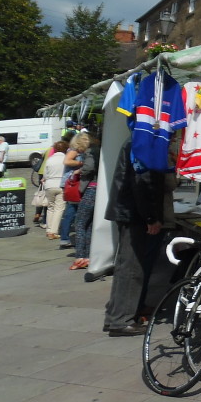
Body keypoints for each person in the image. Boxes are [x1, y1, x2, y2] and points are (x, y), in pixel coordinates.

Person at [103, 139, 175, 336]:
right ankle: (121, 320)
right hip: (135, 214)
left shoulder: (138, 140)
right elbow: (142, 180)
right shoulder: (146, 142)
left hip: (130, 211)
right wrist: (151, 217)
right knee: (132, 268)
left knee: (126, 266)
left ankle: (116, 316)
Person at [69, 135, 101, 269]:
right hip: (99, 189)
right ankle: (88, 256)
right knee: (89, 224)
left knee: (80, 223)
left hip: (91, 189)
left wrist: (79, 171)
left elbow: (89, 168)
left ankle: (80, 257)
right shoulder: (99, 150)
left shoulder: (90, 152)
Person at [42, 140, 69, 241]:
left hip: (49, 185)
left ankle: (49, 230)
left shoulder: (50, 159)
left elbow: (45, 175)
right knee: (59, 208)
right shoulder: (66, 159)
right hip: (61, 185)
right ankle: (53, 231)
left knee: (50, 208)